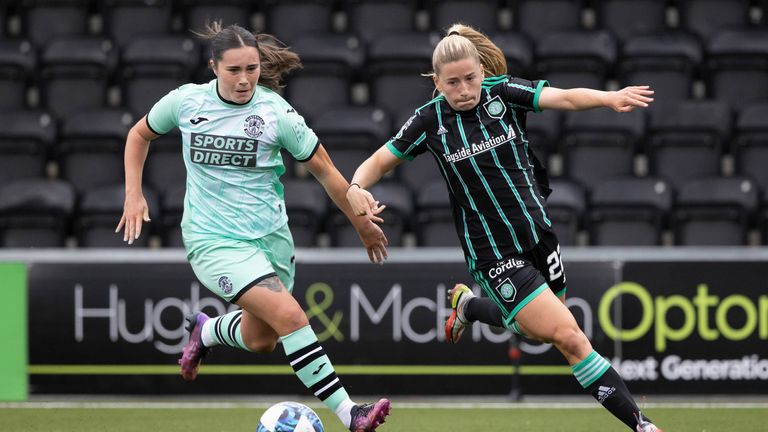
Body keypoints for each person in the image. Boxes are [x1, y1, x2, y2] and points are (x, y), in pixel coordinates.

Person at [346, 24, 662, 432]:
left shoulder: (503, 92)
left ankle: (469, 307)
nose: (464, 89)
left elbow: (561, 96)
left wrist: (608, 98)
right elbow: (377, 162)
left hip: (538, 234)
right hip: (493, 252)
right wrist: (356, 187)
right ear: (437, 82)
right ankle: (643, 425)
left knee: (542, 332)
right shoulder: (429, 122)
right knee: (569, 336)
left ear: (482, 70)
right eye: (453, 82)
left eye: (471, 78)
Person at [115, 21, 391, 432]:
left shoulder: (276, 113)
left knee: (262, 339)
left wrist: (361, 224)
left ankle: (206, 332)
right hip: (212, 240)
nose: (245, 79)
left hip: (270, 240)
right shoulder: (186, 103)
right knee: (292, 317)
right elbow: (139, 135)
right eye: (234, 70)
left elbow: (328, 173)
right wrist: (133, 193)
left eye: (252, 69)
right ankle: (351, 413)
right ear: (214, 67)